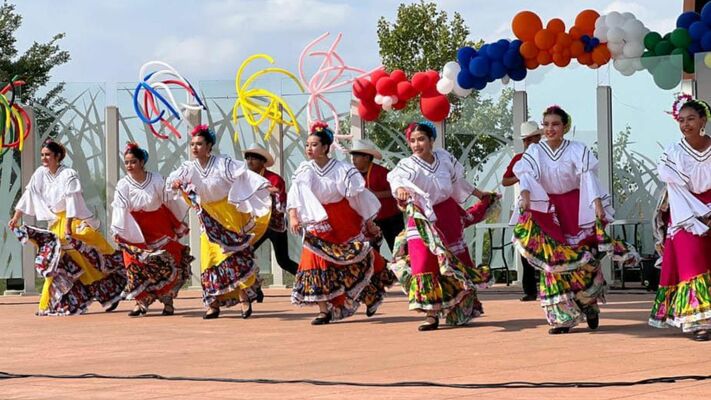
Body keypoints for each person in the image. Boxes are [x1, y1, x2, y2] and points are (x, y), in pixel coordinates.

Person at [512, 105, 638, 334]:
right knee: (552, 264)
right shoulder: (534, 152)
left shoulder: (578, 150)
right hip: (547, 210)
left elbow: (588, 178)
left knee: (581, 260)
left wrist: (597, 205)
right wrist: (526, 199)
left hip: (575, 208)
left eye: (555, 124)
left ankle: (588, 302)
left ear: (565, 127)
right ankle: (561, 318)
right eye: (546, 124)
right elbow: (527, 177)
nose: (550, 129)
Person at [388, 121, 498, 331]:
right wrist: (401, 189)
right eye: (412, 141)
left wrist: (479, 194)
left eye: (421, 139)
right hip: (421, 217)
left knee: (454, 261)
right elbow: (396, 179)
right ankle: (430, 314)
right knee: (423, 262)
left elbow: (458, 183)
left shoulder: (445, 159)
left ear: (431, 140)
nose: (417, 144)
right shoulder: (407, 165)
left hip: (447, 214)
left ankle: (460, 307)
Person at [8, 139, 126, 315]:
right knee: (59, 263)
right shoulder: (40, 173)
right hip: (55, 223)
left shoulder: (69, 174)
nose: (44, 158)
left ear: (57, 156)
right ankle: (56, 302)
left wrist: (69, 226)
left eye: (48, 155)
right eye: (42, 155)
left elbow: (72, 202)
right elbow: (29, 194)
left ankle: (109, 291)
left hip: (73, 220)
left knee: (81, 259)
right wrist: (16, 216)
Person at [167, 125, 272, 319]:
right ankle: (213, 304)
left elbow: (245, 175)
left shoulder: (223, 163)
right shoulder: (188, 168)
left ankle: (244, 298)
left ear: (209, 146)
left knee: (233, 257)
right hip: (207, 216)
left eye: (199, 144)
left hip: (228, 213)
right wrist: (175, 185)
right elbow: (172, 182)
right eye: (192, 144)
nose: (195, 148)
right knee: (209, 260)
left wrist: (263, 186)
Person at [287, 121, 381, 325]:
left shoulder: (342, 169)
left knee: (350, 261)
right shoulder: (304, 169)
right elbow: (296, 193)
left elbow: (357, 196)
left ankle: (370, 293)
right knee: (314, 260)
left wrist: (368, 221)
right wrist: (294, 216)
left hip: (341, 217)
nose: (309, 149)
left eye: (314, 145)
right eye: (307, 145)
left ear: (326, 148)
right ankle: (324, 309)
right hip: (314, 217)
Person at [649, 97, 711, 341]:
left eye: (691, 119)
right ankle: (698, 321)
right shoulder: (672, 152)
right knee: (692, 263)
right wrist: (698, 215)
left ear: (703, 120)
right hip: (684, 211)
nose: (686, 125)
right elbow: (676, 189)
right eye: (682, 120)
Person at [111, 143, 193, 317]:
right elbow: (119, 208)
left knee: (165, 263)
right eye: (126, 162)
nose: (129, 166)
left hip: (158, 225)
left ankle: (168, 301)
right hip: (135, 228)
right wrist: (118, 229)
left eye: (133, 162)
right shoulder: (123, 184)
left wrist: (176, 220)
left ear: (142, 162)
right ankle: (141, 302)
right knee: (134, 264)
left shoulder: (156, 179)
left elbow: (169, 200)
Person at [243, 144, 298, 275]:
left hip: (275, 225)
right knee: (243, 255)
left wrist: (265, 191)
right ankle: (252, 289)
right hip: (256, 225)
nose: (250, 161)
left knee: (283, 261)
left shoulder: (274, 178)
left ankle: (307, 279)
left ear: (262, 161)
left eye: (254, 158)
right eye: (248, 158)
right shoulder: (244, 179)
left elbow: (281, 200)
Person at [502, 121, 542, 302]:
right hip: (526, 207)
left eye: (533, 139)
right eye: (527, 140)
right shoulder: (519, 159)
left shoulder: (546, 156)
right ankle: (530, 289)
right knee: (525, 247)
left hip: (545, 206)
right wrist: (522, 174)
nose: (529, 143)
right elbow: (505, 181)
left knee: (548, 246)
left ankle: (548, 286)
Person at [349, 139, 404, 253]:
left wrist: (375, 194)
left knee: (398, 250)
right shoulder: (353, 174)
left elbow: (394, 191)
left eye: (357, 156)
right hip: (370, 221)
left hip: (390, 218)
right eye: (353, 156)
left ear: (367, 158)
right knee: (371, 252)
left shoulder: (382, 172)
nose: (353, 159)